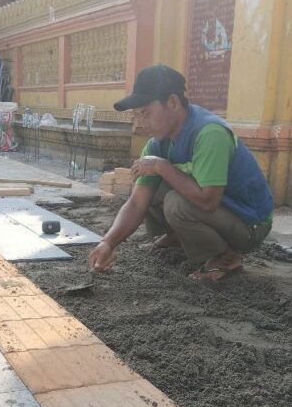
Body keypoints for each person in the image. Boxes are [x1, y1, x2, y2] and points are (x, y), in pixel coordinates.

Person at [88, 65, 275, 282]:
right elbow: (137, 203)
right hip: (219, 215)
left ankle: (226, 258)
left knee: (175, 203)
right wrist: (108, 242)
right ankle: (176, 238)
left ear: (173, 102)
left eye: (146, 113)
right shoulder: (157, 144)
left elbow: (208, 202)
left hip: (249, 223)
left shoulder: (209, 134)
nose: (140, 124)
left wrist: (162, 167)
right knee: (152, 188)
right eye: (137, 116)